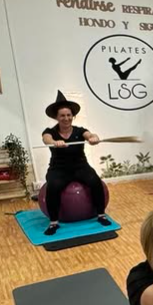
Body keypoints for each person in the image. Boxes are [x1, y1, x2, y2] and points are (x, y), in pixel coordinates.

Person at [41, 90, 111, 235]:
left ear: (73, 116)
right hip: (58, 168)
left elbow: (90, 135)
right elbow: (46, 139)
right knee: (52, 186)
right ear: (57, 117)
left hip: (80, 166)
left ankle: (101, 215)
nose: (66, 118)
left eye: (69, 115)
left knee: (95, 182)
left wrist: (94, 138)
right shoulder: (50, 132)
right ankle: (54, 222)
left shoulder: (80, 131)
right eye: (62, 116)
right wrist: (55, 142)